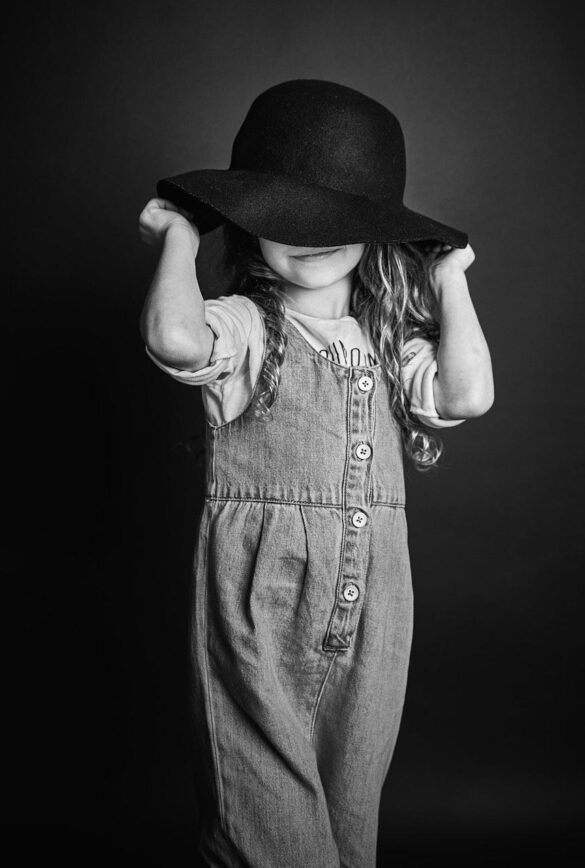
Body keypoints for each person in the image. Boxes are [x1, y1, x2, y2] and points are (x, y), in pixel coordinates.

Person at [138, 79, 494, 868]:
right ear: (246, 224)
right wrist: (178, 240)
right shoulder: (245, 324)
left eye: (337, 218)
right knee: (269, 827)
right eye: (283, 218)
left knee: (345, 824)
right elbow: (173, 338)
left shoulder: (384, 341)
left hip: (375, 608)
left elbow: (467, 394)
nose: (310, 236)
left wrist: (449, 277)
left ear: (374, 230)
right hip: (259, 601)